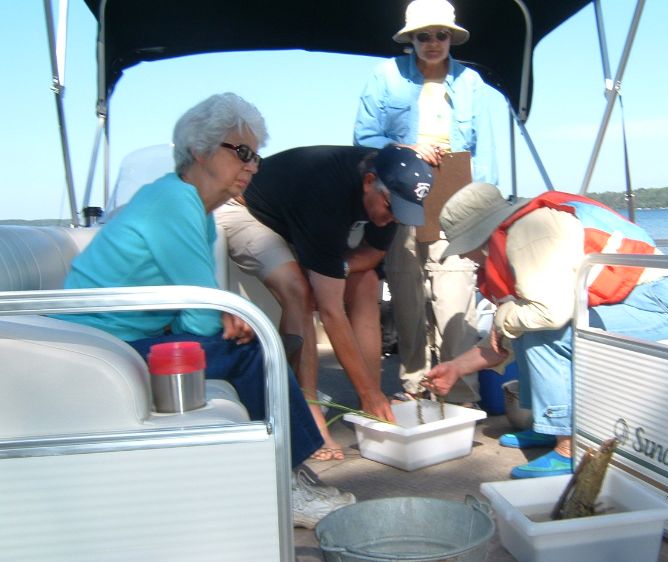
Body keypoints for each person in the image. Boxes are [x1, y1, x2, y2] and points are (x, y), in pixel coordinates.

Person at [52, 93, 353, 528]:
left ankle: (288, 471)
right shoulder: (175, 203)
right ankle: (285, 487)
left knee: (254, 345)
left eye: (257, 157)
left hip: (117, 339)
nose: (252, 165)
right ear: (200, 149)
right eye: (243, 151)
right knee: (257, 353)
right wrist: (228, 320)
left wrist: (225, 318)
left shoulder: (188, 206)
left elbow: (197, 308)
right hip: (100, 347)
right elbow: (201, 319)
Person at [423, 182, 668, 478]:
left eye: (464, 247)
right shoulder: (518, 231)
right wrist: (454, 368)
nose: (465, 257)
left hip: (664, 307)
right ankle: (547, 425)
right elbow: (503, 339)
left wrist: (503, 317)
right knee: (524, 323)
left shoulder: (529, 232)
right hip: (648, 303)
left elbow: (550, 315)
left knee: (543, 329)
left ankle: (568, 449)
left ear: (479, 233)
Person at [215, 144, 433, 458]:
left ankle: (370, 403)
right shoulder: (327, 193)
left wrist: (336, 268)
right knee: (299, 291)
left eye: (403, 211)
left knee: (367, 282)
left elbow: (372, 254)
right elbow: (331, 312)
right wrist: (325, 273)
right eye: (390, 207)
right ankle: (307, 411)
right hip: (248, 211)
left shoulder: (390, 196)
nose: (393, 218)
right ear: (369, 181)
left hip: (299, 220)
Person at [353, 0, 501, 406]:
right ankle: (416, 384)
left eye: (441, 34)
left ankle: (460, 392)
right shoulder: (383, 77)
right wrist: (407, 147)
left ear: (451, 38)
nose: (433, 42)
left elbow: (486, 153)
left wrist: (486, 212)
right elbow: (363, 140)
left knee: (455, 294)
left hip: (456, 194)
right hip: (398, 194)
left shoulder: (471, 82)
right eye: (424, 35)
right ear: (410, 39)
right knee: (406, 294)